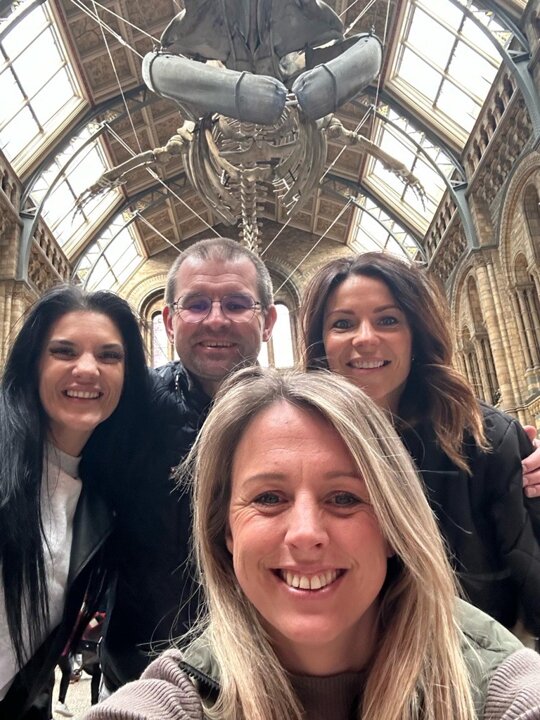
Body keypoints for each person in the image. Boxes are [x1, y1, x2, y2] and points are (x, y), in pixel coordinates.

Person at [85, 368, 540, 720]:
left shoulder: (497, 681)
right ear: (226, 531)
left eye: (344, 498)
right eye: (268, 498)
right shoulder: (177, 695)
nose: (305, 533)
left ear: (393, 526)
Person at [300, 252, 540, 636]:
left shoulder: (487, 438)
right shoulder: (296, 443)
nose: (365, 338)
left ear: (415, 333)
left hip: (468, 657)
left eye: (387, 320)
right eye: (343, 323)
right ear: (321, 342)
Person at [96, 237, 277, 693]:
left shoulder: (297, 414)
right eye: (196, 304)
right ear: (169, 321)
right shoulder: (124, 406)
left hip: (269, 672)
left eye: (236, 304)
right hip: (140, 670)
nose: (216, 319)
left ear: (269, 321)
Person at [0, 285, 150, 720]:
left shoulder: (99, 501)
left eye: (109, 356)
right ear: (33, 363)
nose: (87, 369)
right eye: (64, 351)